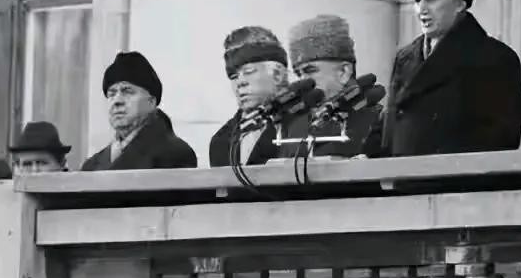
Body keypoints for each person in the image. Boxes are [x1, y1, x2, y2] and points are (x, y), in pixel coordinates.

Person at [366, 0, 521, 157]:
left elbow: (500, 140)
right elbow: (388, 130)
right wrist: (368, 156)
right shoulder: (405, 58)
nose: (421, 10)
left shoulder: (495, 59)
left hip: (449, 177)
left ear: (460, 3)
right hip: (400, 177)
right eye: (417, 0)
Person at [287, 15, 383, 158]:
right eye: (298, 74)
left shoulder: (375, 119)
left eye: (310, 71)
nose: (302, 82)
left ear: (343, 71)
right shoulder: (297, 126)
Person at [82, 52, 197, 170]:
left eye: (127, 91)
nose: (117, 101)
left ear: (151, 102)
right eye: (111, 94)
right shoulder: (91, 166)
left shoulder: (175, 155)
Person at [210, 26, 305, 166]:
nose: (240, 82)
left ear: (277, 75)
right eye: (233, 76)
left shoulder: (308, 125)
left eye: (248, 72)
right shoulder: (222, 140)